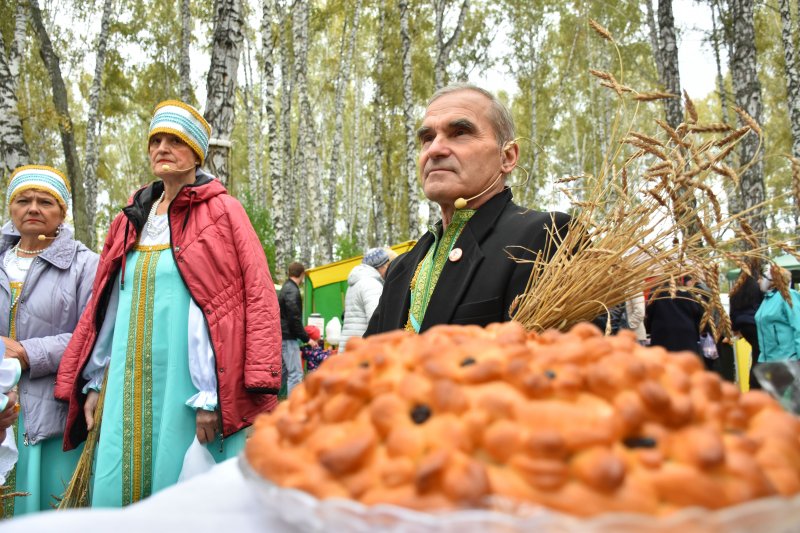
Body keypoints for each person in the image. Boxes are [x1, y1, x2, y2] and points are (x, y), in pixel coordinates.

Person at [55, 100, 281, 507]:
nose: (162, 148)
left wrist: (212, 395)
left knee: (177, 486)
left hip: (187, 385)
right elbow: (106, 306)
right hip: (126, 379)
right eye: (155, 140)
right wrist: (94, 381)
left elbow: (252, 298)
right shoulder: (130, 218)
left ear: (196, 153)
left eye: (174, 140)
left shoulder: (224, 212)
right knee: (116, 477)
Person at [365, 84, 570, 335]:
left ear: (507, 157)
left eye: (460, 132)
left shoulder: (545, 238)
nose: (435, 149)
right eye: (427, 138)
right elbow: (367, 364)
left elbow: (566, 366)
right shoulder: (401, 267)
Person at [0, 165, 98, 516]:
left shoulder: (85, 265)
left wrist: (26, 352)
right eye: (23, 200)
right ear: (11, 208)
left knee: (41, 507)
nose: (33, 208)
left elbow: (92, 334)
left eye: (46, 201)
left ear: (63, 211)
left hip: (49, 409)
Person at [340, 248, 393, 351]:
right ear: (381, 266)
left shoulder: (355, 283)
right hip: (361, 349)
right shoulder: (371, 284)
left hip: (349, 345)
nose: (388, 268)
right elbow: (376, 320)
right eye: (387, 265)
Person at [645, 275, 705, 362]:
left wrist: (649, 328)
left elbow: (649, 313)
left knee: (663, 369)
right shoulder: (688, 293)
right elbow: (698, 314)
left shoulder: (656, 292)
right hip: (686, 337)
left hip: (662, 336)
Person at [279, 262, 316, 396]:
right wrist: (307, 338)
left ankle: (268, 403)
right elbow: (294, 318)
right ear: (302, 274)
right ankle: (293, 408)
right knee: (295, 373)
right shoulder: (292, 290)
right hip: (288, 338)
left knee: (282, 373)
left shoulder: (286, 287)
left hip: (283, 336)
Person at [755, 265, 800, 362]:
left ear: (772, 280)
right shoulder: (766, 299)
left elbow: (798, 325)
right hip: (768, 360)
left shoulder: (788, 295)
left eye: (761, 278)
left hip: (788, 359)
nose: (758, 281)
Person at [729, 272, 763, 388]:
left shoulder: (736, 288)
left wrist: (735, 328)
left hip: (743, 326)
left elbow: (732, 310)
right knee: (759, 356)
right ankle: (756, 386)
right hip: (754, 323)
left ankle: (753, 386)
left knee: (756, 354)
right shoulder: (756, 286)